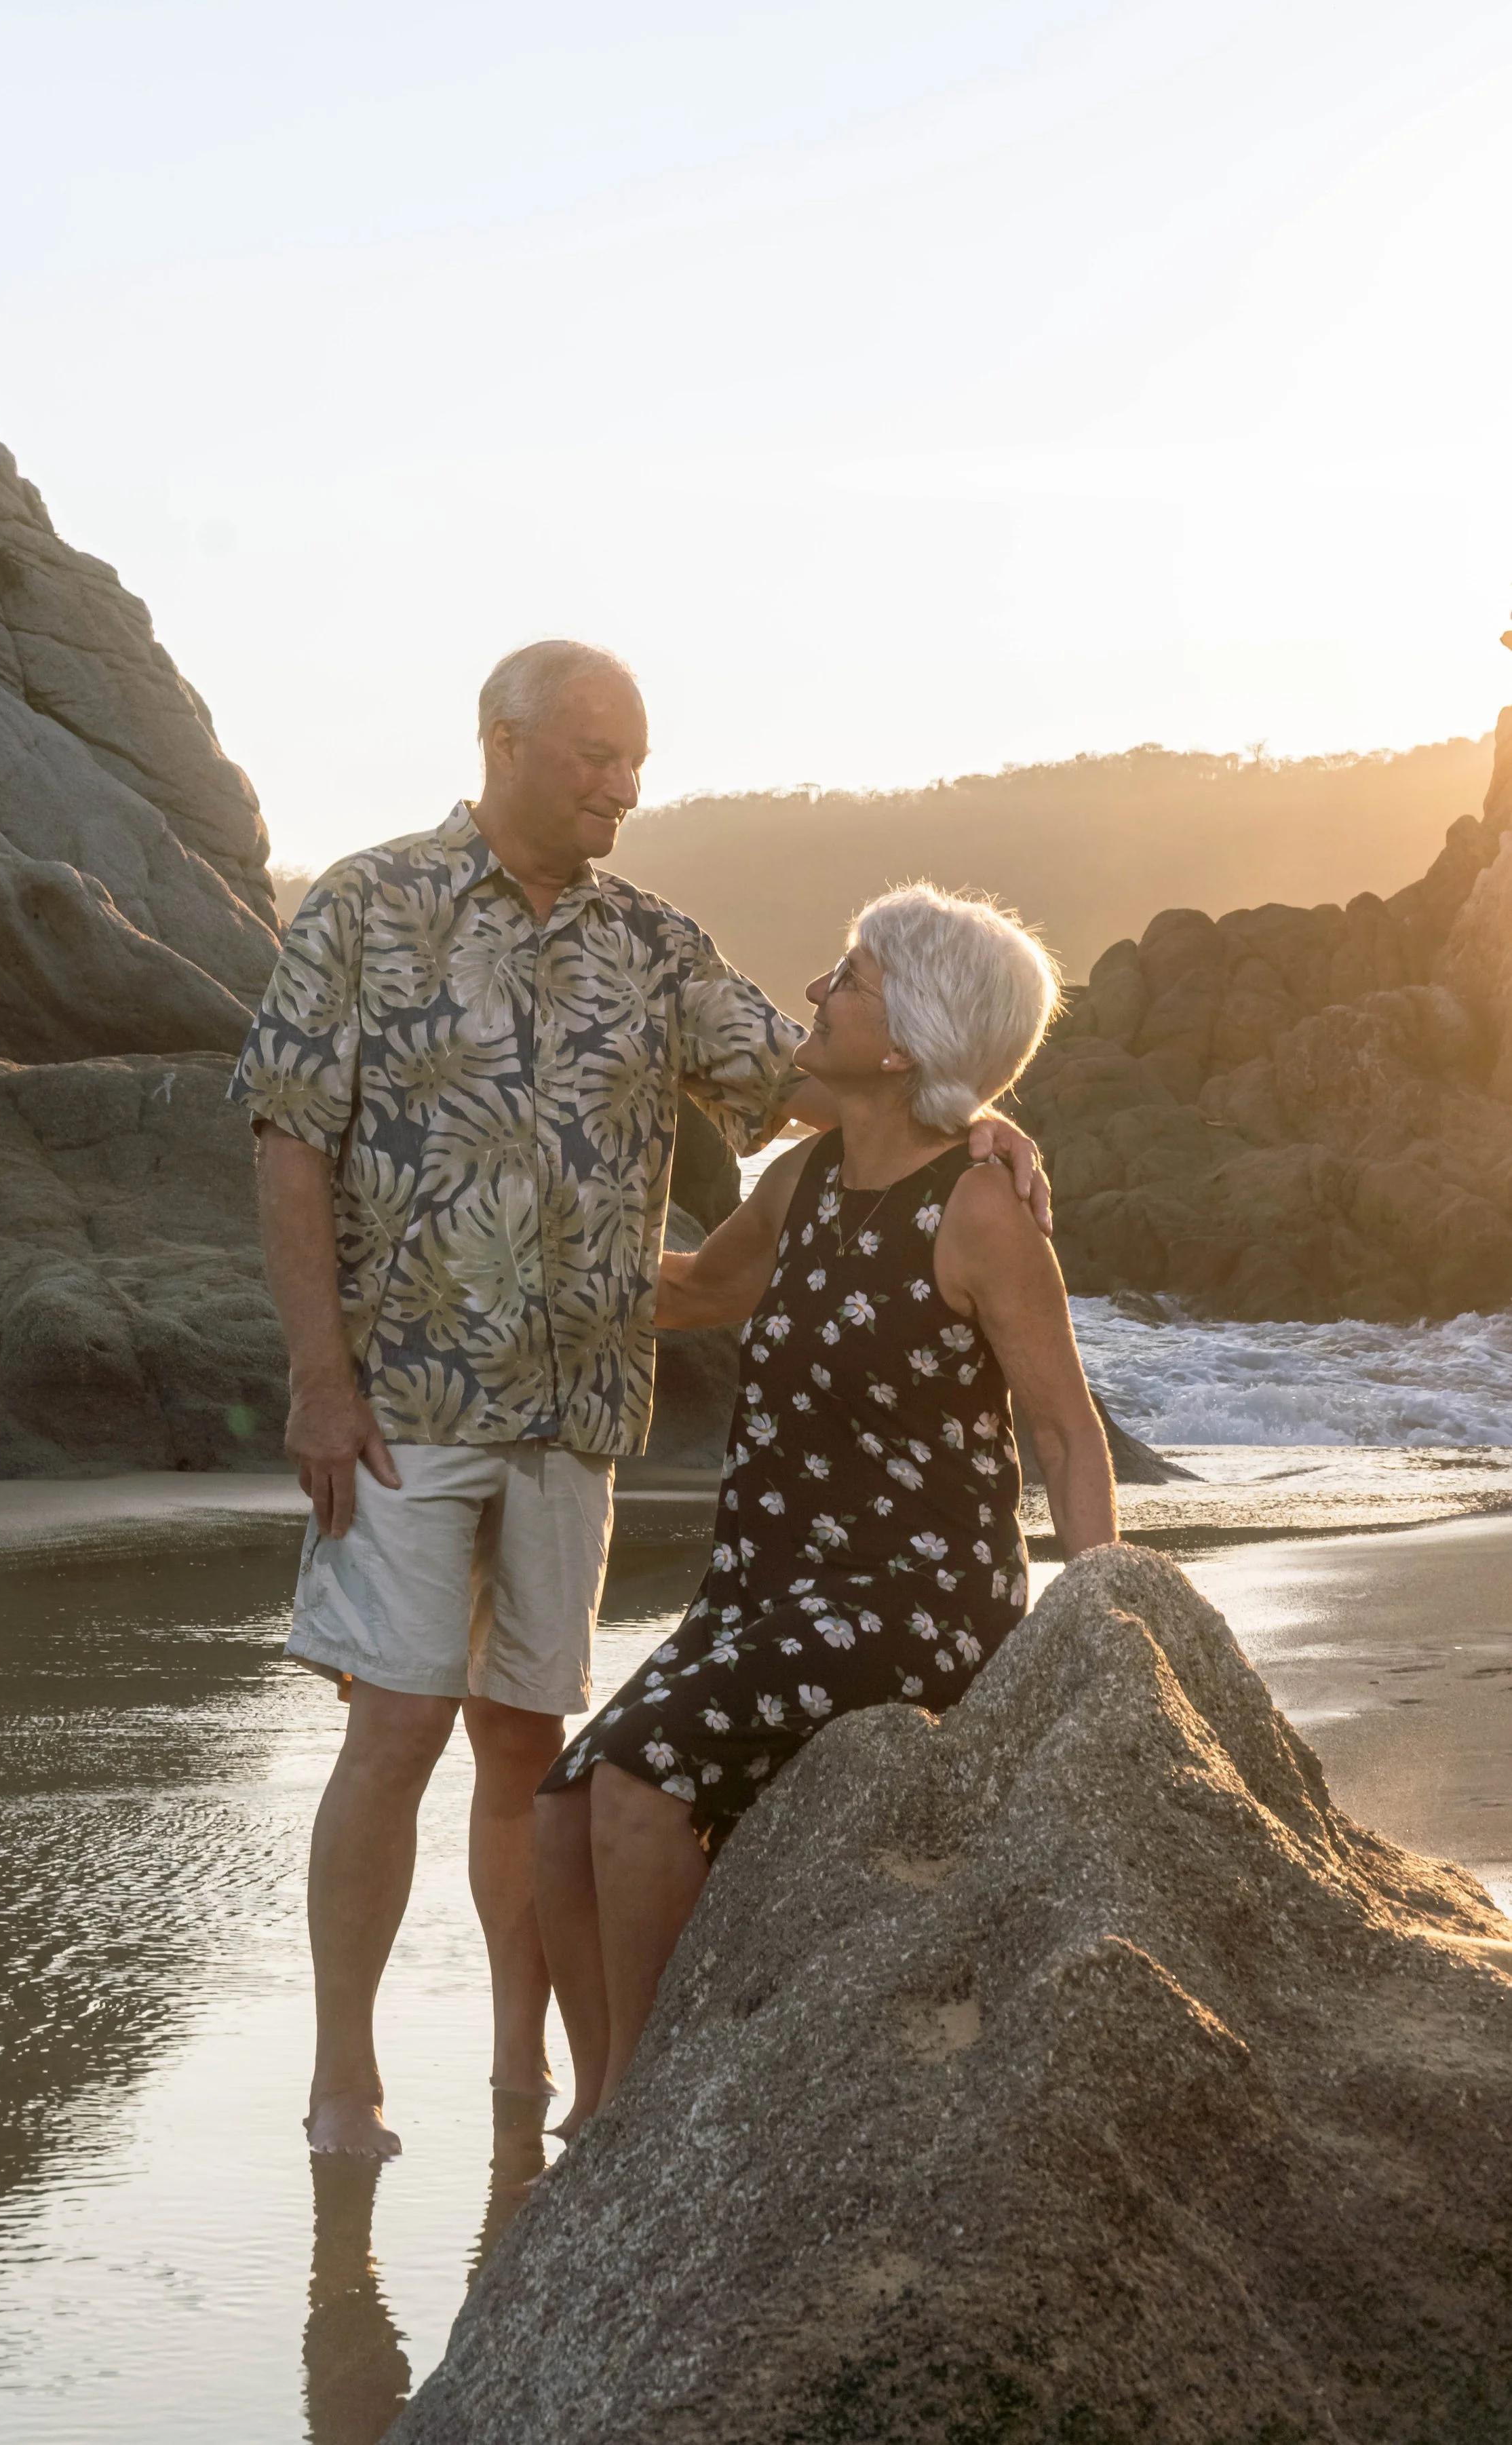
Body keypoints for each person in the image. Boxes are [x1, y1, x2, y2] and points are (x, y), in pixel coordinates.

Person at [230, 643, 1055, 2157]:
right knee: (397, 1728)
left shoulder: (657, 948)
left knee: (521, 1746)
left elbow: (832, 1080)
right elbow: (289, 1138)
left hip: (576, 1419)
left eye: (635, 761)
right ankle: (343, 2074)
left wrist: (983, 1120)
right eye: (593, 756)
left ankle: (518, 2068)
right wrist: (317, 1378)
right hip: (402, 1399)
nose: (620, 786)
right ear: (503, 743)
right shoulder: (364, 906)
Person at [535, 884, 1116, 2131]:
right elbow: (693, 1291)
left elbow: (1067, 1430)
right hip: (764, 1591)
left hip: (913, 1605)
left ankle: (641, 2108)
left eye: (847, 978)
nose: (815, 992)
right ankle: (601, 2100)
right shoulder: (804, 1177)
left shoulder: (979, 1208)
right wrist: (515, 1261)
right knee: (563, 1805)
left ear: (904, 1037)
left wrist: (1100, 1610)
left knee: (640, 1783)